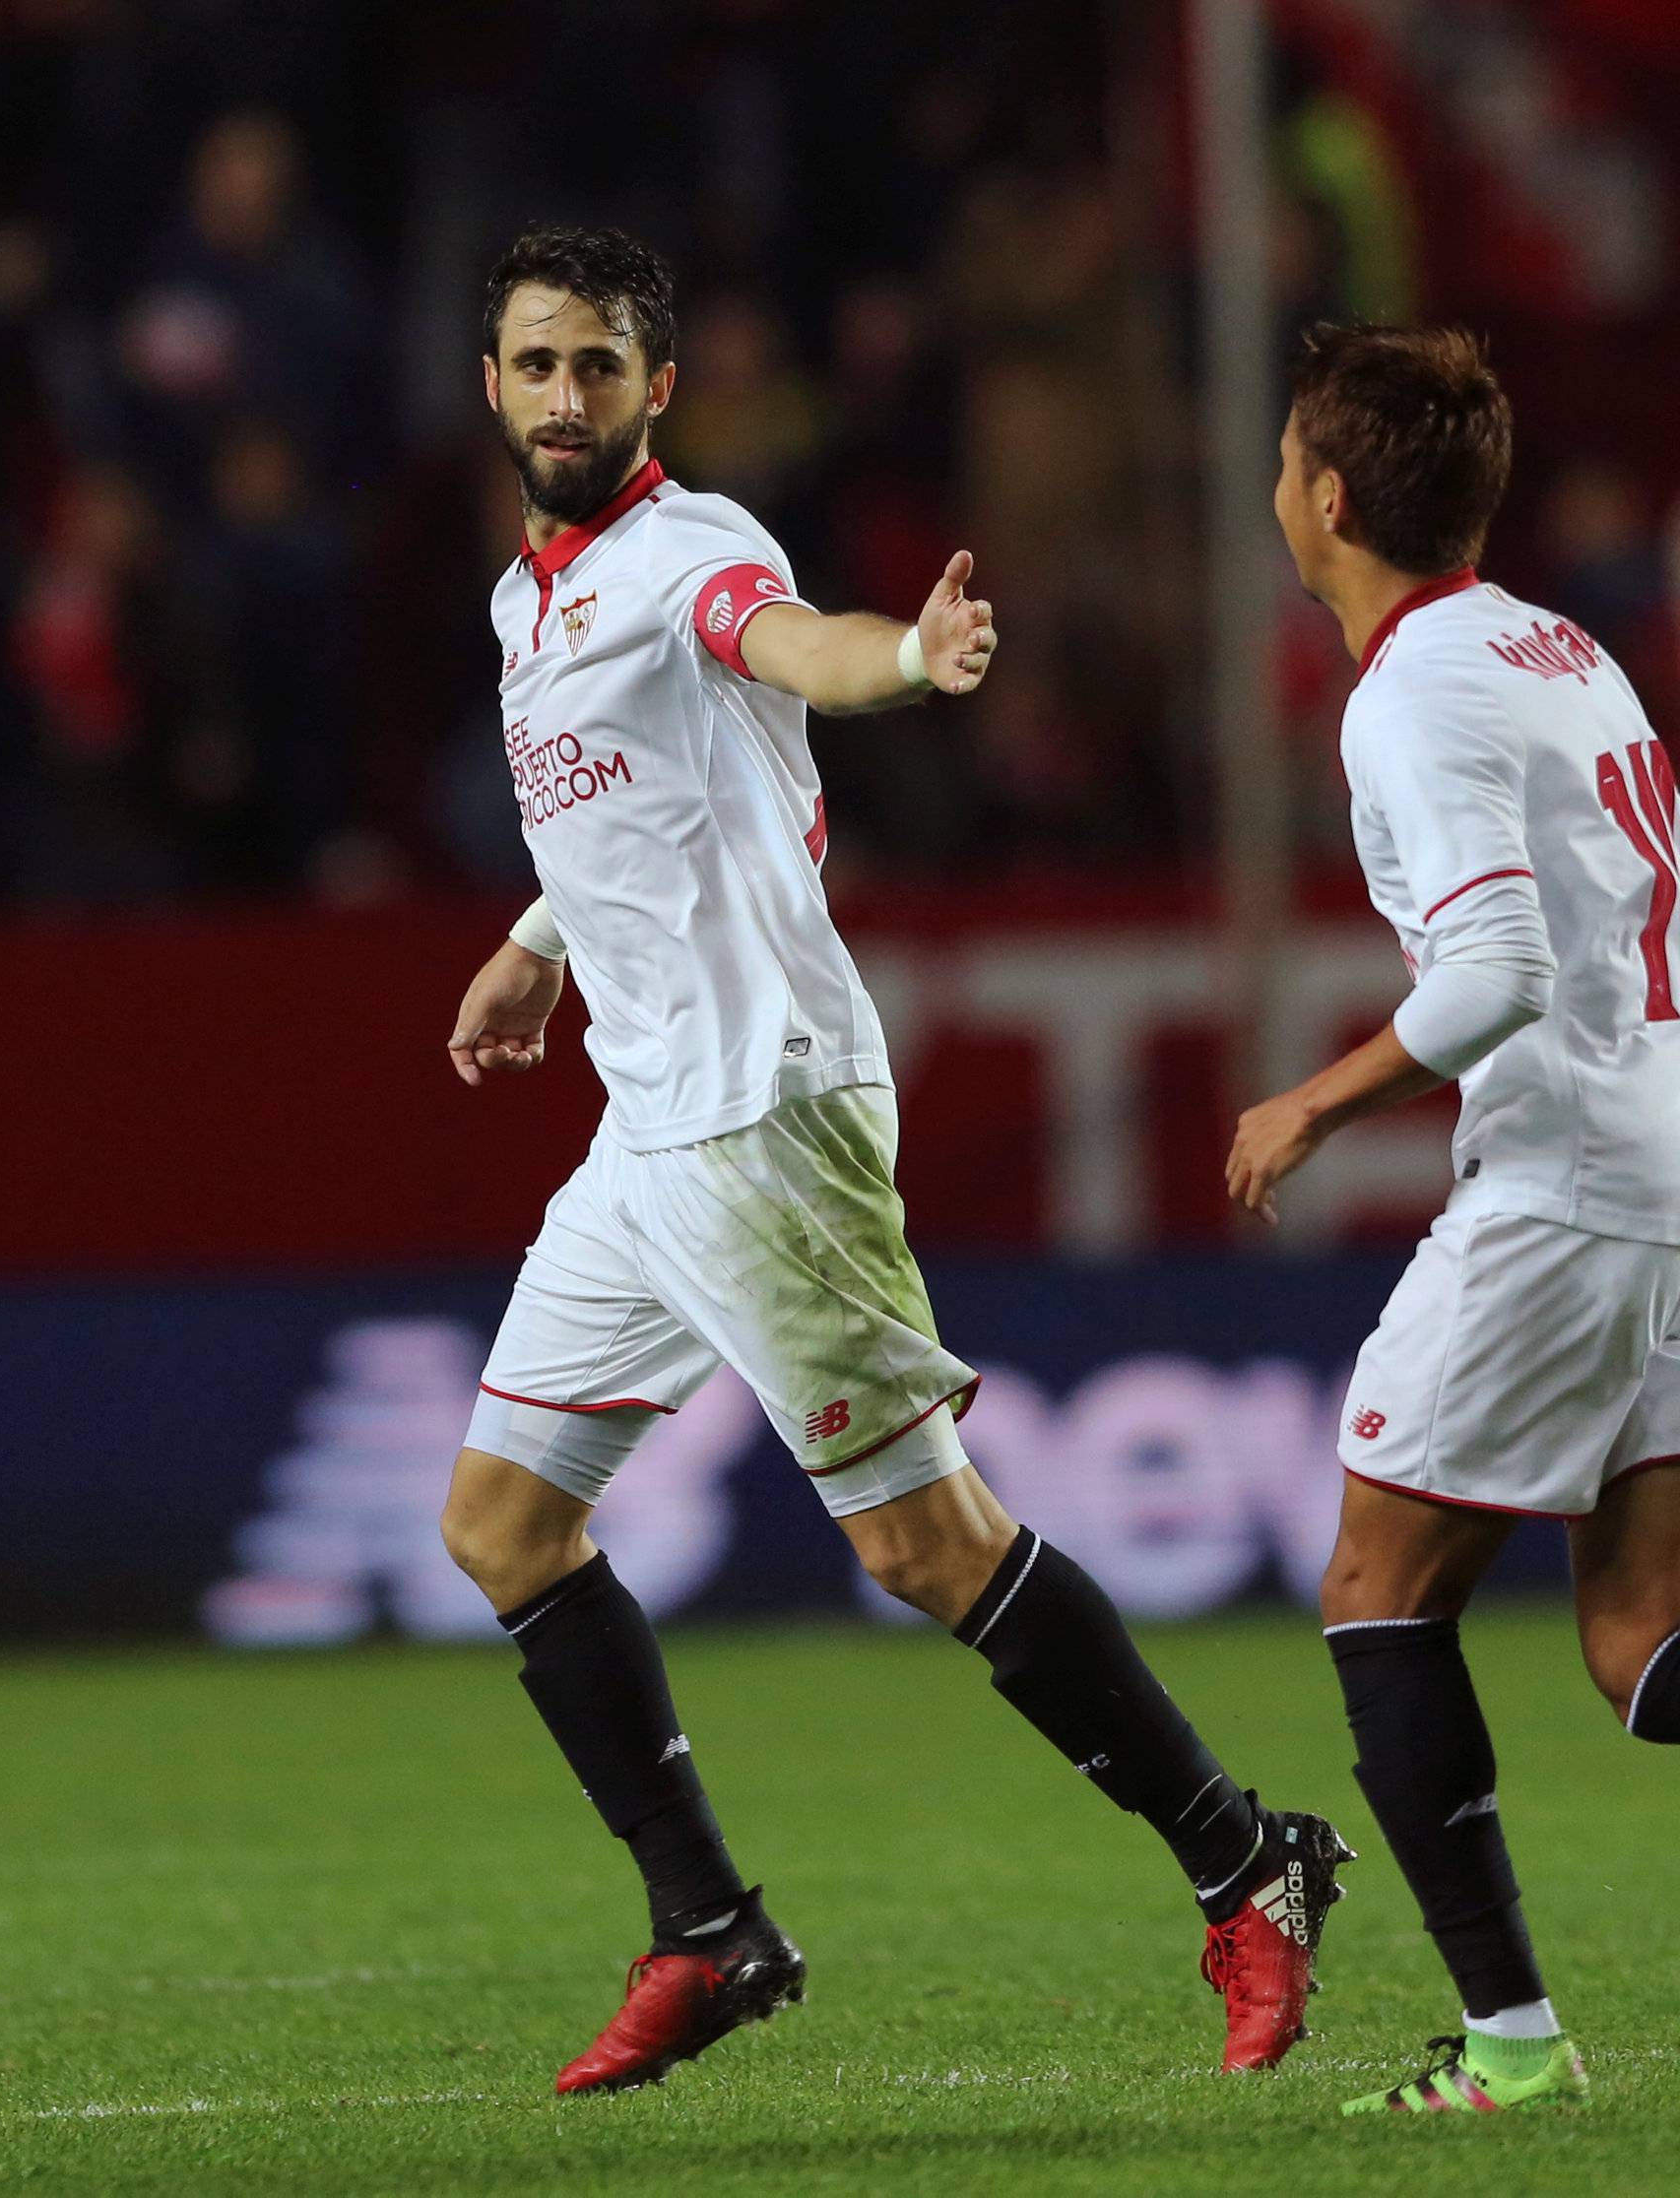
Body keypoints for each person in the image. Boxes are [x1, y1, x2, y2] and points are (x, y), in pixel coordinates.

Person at [440, 224, 1350, 2098]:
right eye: (534, 364)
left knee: (922, 1544)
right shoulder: (529, 604)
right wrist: (537, 944)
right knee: (504, 1524)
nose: (563, 397)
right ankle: (708, 1928)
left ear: (657, 389)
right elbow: (656, 796)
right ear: (492, 383)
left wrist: (907, 659)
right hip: (646, 1126)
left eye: (598, 365)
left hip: (766, 1114)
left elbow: (793, 650)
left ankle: (1249, 1860)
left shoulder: (697, 553)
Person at [1228, 322, 1680, 2116]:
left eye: (1282, 464)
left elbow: (1493, 967)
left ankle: (1509, 2042)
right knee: (1641, 1643)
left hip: (1572, 1177)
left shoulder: (1411, 687)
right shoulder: (1565, 649)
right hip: (1663, 1149)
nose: (1276, 489)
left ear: (1328, 501)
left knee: (1375, 1591)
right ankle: (1509, 2037)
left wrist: (1311, 1104)